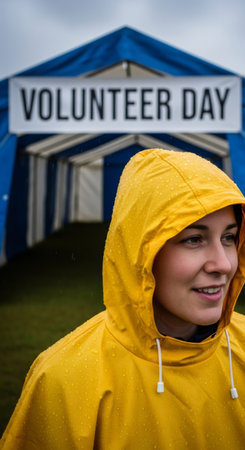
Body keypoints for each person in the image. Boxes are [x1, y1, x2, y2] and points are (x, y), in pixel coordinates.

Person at [1, 148, 245, 449]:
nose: (223, 264)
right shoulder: (63, 379)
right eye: (193, 239)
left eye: (229, 237)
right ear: (139, 251)